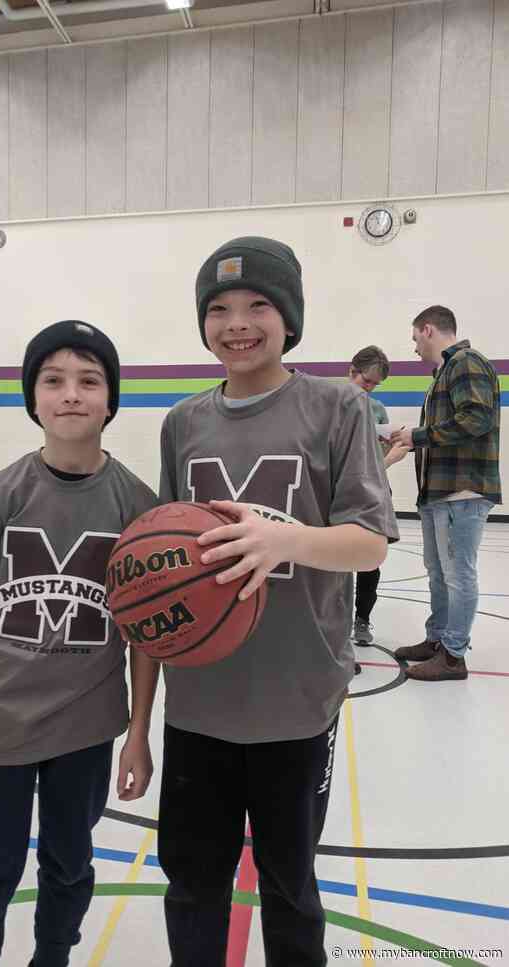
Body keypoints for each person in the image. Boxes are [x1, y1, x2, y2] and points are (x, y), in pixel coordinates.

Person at [158, 237, 399, 967]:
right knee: (193, 882)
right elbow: (165, 548)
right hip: (198, 699)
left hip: (296, 697)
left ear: (288, 317)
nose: (238, 322)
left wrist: (282, 541)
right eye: (220, 309)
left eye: (257, 305)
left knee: (289, 883)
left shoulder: (337, 408)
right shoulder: (181, 423)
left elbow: (370, 541)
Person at [0, 320, 160, 967]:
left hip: (86, 730)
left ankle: (52, 957)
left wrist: (139, 729)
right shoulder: (0, 495)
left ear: (110, 400)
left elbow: (145, 634)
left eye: (89, 380)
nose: (70, 394)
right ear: (32, 398)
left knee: (69, 863)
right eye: (53, 380)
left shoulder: (137, 504)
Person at [390, 306, 502, 682]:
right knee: (438, 573)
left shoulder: (466, 362)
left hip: (462, 491)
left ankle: (454, 656)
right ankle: (438, 639)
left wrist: (418, 436)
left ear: (427, 329)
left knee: (457, 574)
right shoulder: (446, 371)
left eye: (415, 339)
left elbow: (476, 418)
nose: (415, 348)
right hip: (440, 492)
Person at [348, 346, 411, 649]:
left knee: (370, 559)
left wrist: (389, 446)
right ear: (352, 372)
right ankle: (330, 619)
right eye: (366, 381)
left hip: (373, 492)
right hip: (340, 494)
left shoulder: (378, 410)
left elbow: (381, 457)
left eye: (375, 385)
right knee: (333, 560)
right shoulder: (329, 406)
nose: (370, 389)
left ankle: (362, 619)